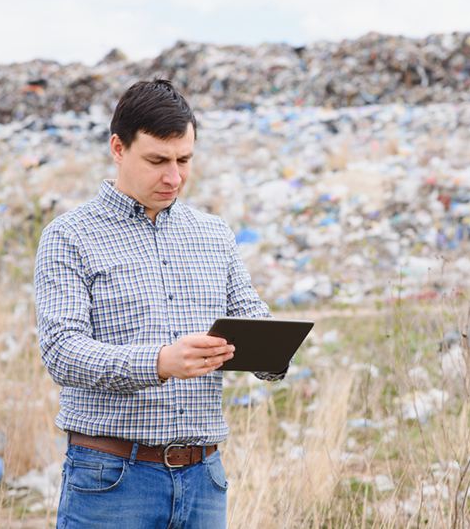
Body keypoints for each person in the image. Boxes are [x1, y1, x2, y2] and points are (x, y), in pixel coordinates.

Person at [34, 79, 284, 529]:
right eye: (157, 161)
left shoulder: (214, 234)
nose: (174, 177)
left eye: (184, 160)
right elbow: (61, 352)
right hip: (111, 481)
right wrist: (161, 362)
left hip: (205, 479)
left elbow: (250, 317)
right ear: (118, 148)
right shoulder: (68, 236)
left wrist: (272, 351)